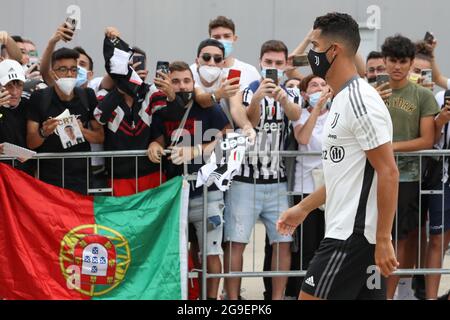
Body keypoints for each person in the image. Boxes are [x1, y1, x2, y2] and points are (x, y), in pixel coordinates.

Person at [278, 12, 399, 300]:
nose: (311, 55)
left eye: (315, 46)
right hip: (355, 236)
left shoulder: (360, 101)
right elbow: (343, 176)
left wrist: (383, 238)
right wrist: (304, 208)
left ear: (334, 51)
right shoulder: (340, 99)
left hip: (352, 237)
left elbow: (389, 171)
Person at [223, 40, 301, 300]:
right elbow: (250, 121)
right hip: (244, 180)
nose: (273, 68)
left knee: (283, 243)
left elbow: (295, 115)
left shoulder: (290, 93)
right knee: (236, 242)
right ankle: (233, 299)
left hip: (277, 181)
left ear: (285, 65)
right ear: (260, 63)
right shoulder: (248, 90)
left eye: (279, 63)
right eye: (269, 63)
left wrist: (282, 97)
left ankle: (277, 298)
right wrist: (258, 97)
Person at [148, 61, 229, 300]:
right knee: (177, 254)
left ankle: (211, 301)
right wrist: (154, 146)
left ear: (193, 82)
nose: (181, 86)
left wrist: (198, 149)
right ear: (167, 83)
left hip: (208, 192)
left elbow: (228, 135)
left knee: (211, 254)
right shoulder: (162, 110)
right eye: (175, 81)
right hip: (175, 195)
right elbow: (158, 139)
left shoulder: (207, 107)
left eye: (186, 80)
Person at [379, 34, 440, 300]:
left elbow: (427, 139)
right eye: (392, 60)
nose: (397, 66)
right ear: (384, 60)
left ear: (411, 62)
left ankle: (389, 295)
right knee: (371, 237)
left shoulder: (423, 96)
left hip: (407, 176)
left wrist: (390, 147)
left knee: (399, 239)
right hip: (372, 175)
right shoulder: (372, 90)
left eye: (403, 61)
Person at [94, 31, 168, 196]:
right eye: (131, 64)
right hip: (119, 177)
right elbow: (99, 116)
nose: (135, 68)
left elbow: (170, 115)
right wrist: (121, 86)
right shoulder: (104, 95)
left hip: (152, 172)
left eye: (140, 63)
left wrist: (157, 143)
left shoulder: (151, 92)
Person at [26, 48, 104, 194]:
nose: (69, 74)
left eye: (73, 69)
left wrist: (83, 131)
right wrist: (44, 132)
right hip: (49, 179)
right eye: (62, 69)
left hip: (81, 178)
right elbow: (31, 142)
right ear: (52, 73)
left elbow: (99, 137)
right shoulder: (40, 97)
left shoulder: (87, 96)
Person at [0, 59, 33, 175]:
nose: (14, 92)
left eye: (19, 85)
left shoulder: (28, 104)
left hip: (25, 174)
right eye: (9, 86)